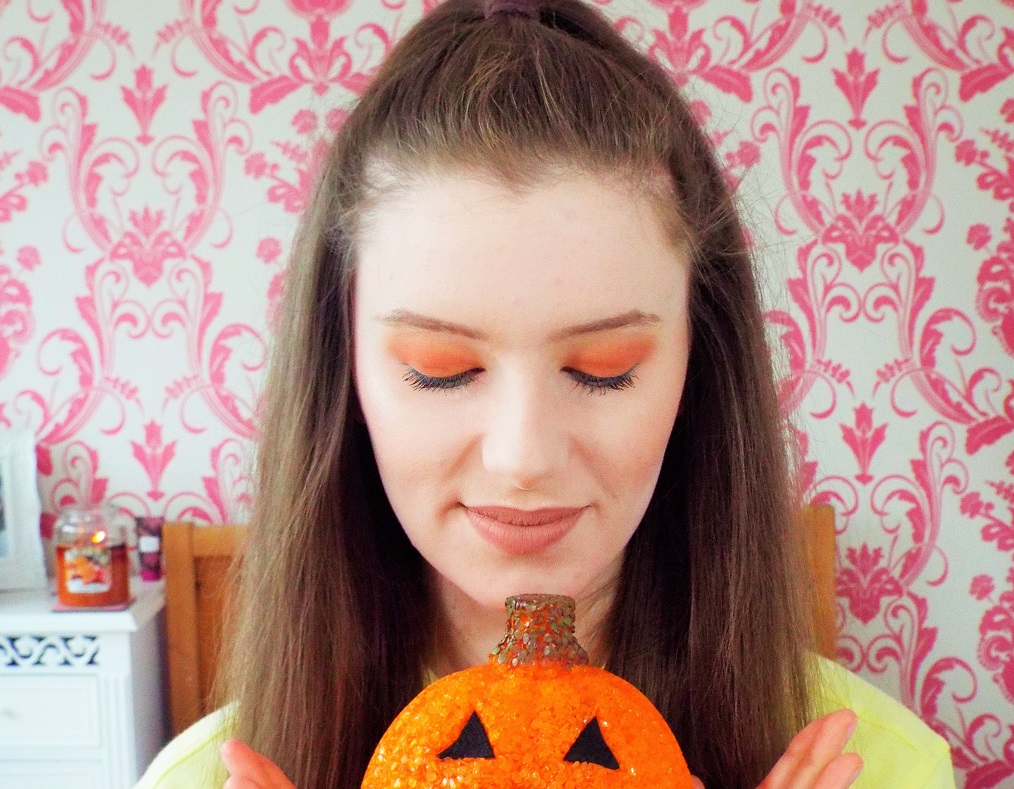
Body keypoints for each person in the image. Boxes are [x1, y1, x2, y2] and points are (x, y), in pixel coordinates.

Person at [136, 0, 957, 787]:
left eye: (604, 369)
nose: (522, 456)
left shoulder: (876, 768)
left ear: (695, 372)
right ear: (345, 375)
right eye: (441, 369)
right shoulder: (204, 779)